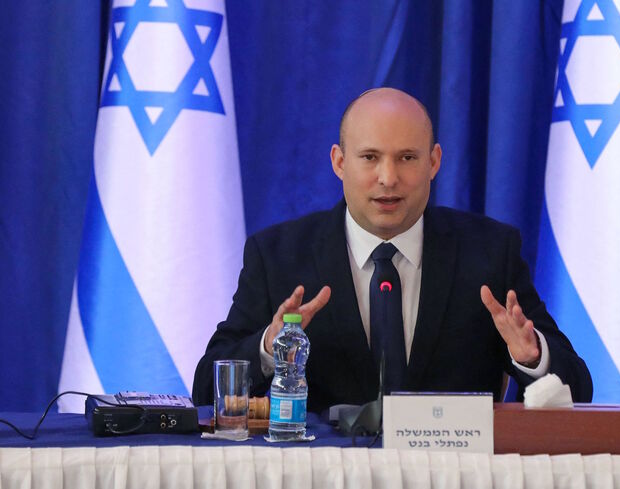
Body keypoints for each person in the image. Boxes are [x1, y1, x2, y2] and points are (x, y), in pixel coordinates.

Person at [192, 88, 592, 412]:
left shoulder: (488, 253)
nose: (388, 178)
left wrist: (532, 355)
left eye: (407, 158)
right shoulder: (278, 256)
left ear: (434, 162)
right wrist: (268, 347)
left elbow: (580, 387)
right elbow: (206, 389)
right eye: (370, 158)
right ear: (339, 162)